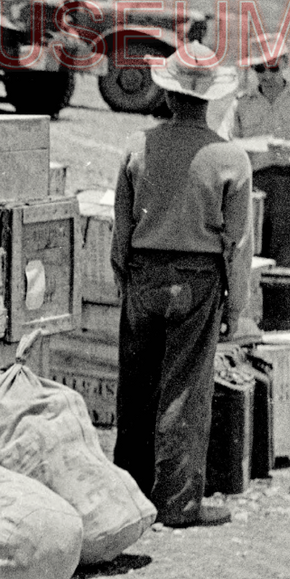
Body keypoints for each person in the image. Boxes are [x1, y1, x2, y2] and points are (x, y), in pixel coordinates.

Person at [110, 50, 252, 529]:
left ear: (168, 94)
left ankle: (125, 498)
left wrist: (124, 277)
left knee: (136, 387)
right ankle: (177, 503)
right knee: (185, 392)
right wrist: (239, 305)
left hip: (144, 274)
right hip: (197, 280)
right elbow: (238, 244)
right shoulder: (231, 157)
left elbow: (120, 225)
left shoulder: (138, 145)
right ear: (210, 100)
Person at [218, 33, 290, 268]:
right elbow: (223, 141)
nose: (267, 75)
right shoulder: (241, 102)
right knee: (252, 256)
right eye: (260, 68)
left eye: (273, 67)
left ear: (285, 63)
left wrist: (288, 146)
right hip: (253, 186)